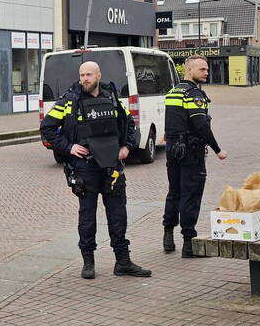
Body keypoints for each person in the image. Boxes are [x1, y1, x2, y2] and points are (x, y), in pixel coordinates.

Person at [40, 60, 151, 280]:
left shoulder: (112, 98)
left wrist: (126, 147)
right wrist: (70, 147)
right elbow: (47, 129)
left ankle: (123, 262)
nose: (85, 79)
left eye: (89, 74)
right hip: (85, 168)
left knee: (118, 215)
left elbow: (130, 124)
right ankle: (88, 262)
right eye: (82, 75)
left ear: (98, 75)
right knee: (87, 217)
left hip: (112, 167)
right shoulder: (69, 100)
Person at [162, 55, 227, 258]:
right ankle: (189, 244)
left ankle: (168, 234)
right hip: (191, 152)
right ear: (189, 70)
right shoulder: (194, 95)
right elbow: (201, 125)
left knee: (174, 192)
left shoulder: (173, 92)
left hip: (173, 150)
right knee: (190, 195)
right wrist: (217, 149)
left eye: (207, 69)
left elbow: (171, 121)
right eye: (202, 69)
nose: (206, 73)